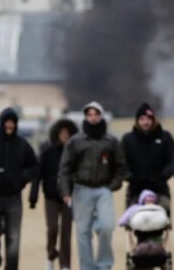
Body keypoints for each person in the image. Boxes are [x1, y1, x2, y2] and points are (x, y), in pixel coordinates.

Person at [58, 101, 128, 270]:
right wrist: (66, 191)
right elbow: (65, 168)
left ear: (101, 116)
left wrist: (114, 185)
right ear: (86, 117)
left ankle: (104, 264)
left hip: (104, 189)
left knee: (106, 227)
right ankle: (87, 267)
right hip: (81, 189)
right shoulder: (75, 141)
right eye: (89, 114)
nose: (93, 117)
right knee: (83, 232)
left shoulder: (110, 141)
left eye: (96, 114)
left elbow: (120, 165)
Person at [0, 108, 38, 270]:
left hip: (14, 197)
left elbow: (34, 167)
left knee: (14, 237)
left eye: (12, 122)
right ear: (2, 123)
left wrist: (21, 178)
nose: (9, 125)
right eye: (7, 122)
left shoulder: (23, 145)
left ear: (15, 124)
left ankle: (11, 267)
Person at [30, 118, 79, 270]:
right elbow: (38, 175)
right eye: (62, 133)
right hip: (50, 196)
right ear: (57, 134)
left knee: (66, 232)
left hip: (68, 198)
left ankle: (65, 264)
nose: (64, 136)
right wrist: (33, 196)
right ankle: (51, 255)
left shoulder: (75, 153)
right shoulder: (47, 152)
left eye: (67, 133)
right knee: (52, 229)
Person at [121, 102, 174, 210]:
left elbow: (173, 160)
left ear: (153, 120)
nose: (145, 122)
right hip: (135, 188)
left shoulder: (165, 138)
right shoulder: (128, 139)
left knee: (160, 220)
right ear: (137, 121)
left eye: (148, 119)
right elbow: (121, 162)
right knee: (135, 221)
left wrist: (163, 176)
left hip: (159, 187)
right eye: (142, 119)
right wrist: (130, 177)